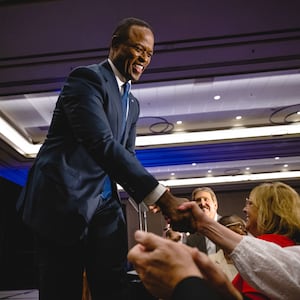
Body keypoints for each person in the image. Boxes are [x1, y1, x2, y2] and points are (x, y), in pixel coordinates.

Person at [16, 17, 192, 300]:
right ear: (115, 45)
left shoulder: (132, 104)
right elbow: (100, 143)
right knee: (62, 290)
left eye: (149, 54)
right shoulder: (86, 79)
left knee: (113, 288)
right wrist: (163, 198)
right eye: (138, 49)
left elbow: (126, 155)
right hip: (62, 204)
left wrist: (156, 200)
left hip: (105, 211)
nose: (144, 59)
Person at [231, 182, 300, 299]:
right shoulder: (290, 248)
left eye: (250, 203)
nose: (244, 209)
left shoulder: (261, 249)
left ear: (267, 210)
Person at [209, 215, 247, 281]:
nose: (244, 232)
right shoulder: (210, 262)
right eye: (240, 226)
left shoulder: (251, 262)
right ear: (224, 230)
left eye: (245, 229)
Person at [186, 186, 221, 254]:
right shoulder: (191, 239)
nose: (202, 203)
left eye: (206, 199)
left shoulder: (229, 226)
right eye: (198, 200)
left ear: (215, 205)